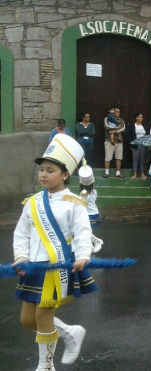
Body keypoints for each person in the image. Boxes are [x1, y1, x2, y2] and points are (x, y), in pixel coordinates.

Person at [13, 133, 98, 370]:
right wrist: (20, 256)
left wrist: (83, 256)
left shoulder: (74, 202)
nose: (43, 174)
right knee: (28, 319)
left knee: (43, 314)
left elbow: (83, 233)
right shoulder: (32, 203)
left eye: (50, 170)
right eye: (42, 170)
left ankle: (46, 365)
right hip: (33, 267)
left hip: (58, 266)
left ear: (65, 174)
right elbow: (22, 233)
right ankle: (70, 332)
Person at [78, 161, 104, 253]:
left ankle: (97, 242)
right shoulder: (94, 191)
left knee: (84, 231)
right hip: (95, 213)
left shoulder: (83, 194)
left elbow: (82, 204)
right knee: (85, 231)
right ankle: (91, 245)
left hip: (88, 215)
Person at [103, 107, 125, 178]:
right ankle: (106, 173)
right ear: (113, 112)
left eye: (119, 112)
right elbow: (106, 127)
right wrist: (116, 128)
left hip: (119, 142)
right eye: (116, 112)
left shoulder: (121, 120)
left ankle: (118, 173)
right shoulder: (107, 118)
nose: (118, 113)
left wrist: (115, 131)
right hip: (109, 141)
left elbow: (123, 128)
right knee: (108, 157)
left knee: (119, 157)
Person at [125, 112, 149, 179]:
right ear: (136, 118)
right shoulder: (132, 126)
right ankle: (135, 174)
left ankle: (142, 174)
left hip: (143, 145)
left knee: (142, 160)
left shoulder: (144, 126)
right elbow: (128, 136)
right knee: (135, 159)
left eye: (142, 117)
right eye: (140, 117)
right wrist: (132, 143)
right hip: (135, 145)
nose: (141, 118)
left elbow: (147, 135)